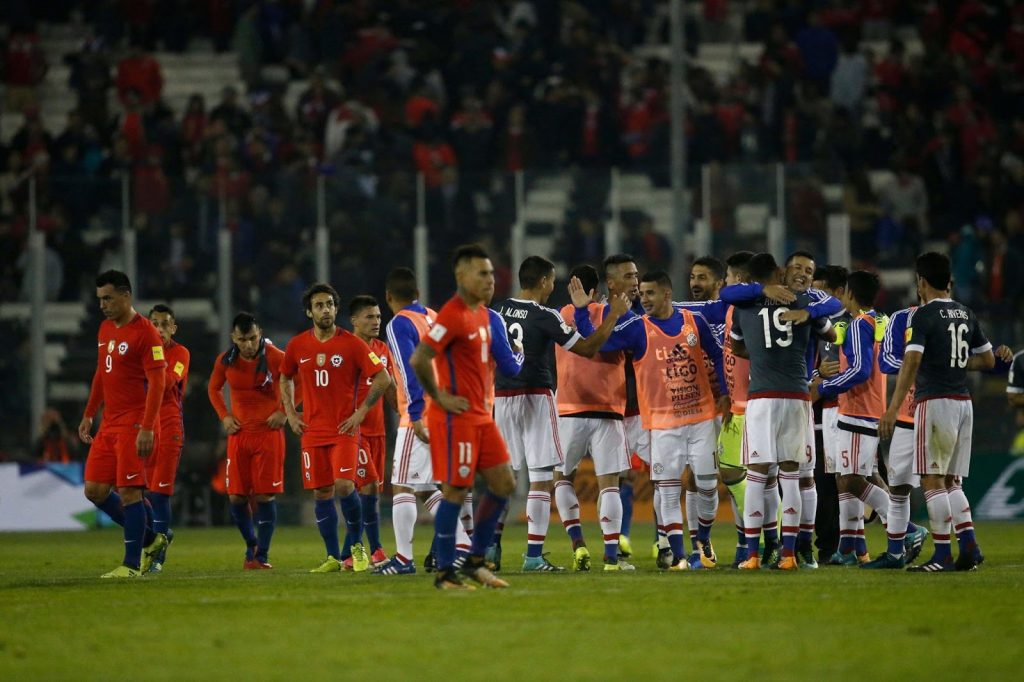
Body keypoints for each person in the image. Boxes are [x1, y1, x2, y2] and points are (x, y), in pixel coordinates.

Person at [576, 270, 727, 571]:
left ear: (667, 295)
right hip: (662, 425)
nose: (643, 299)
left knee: (708, 486)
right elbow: (597, 344)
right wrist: (582, 310)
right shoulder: (637, 328)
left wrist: (723, 391)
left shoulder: (692, 322)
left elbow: (718, 354)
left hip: (700, 419)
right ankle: (682, 557)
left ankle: (703, 540)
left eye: (650, 294)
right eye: (641, 294)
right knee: (669, 490)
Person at [493, 255, 628, 572]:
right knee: (540, 480)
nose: (553, 286)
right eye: (552, 280)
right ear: (543, 282)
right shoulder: (545, 315)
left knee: (499, 478)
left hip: (501, 397)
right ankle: (533, 557)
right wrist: (614, 317)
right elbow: (587, 348)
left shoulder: (497, 310)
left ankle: (490, 547)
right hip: (537, 397)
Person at [721, 250, 842, 566]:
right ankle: (789, 551)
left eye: (809, 269)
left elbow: (733, 338)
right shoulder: (803, 302)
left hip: (762, 398)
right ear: (782, 272)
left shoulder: (747, 304)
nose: (803, 273)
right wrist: (810, 316)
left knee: (761, 475)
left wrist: (761, 352)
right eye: (797, 268)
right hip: (796, 396)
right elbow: (833, 330)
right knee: (794, 476)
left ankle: (757, 553)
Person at [409, 244, 517, 590]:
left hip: (482, 417)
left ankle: (474, 561)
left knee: (504, 484)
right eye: (482, 273)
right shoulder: (451, 315)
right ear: (461, 276)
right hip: (456, 418)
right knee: (456, 490)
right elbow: (420, 358)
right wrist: (439, 396)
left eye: (491, 273)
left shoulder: (484, 314)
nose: (490, 279)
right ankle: (444, 573)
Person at [880, 252, 994, 572]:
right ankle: (969, 546)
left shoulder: (924, 316)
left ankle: (943, 555)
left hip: (935, 401)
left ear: (921, 282)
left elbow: (912, 362)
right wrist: (956, 363)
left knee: (932, 479)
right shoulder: (965, 313)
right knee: (952, 481)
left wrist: (891, 408)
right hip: (963, 402)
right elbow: (987, 361)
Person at [280, 283, 392, 573]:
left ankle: (357, 546)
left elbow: (382, 378)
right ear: (309, 311)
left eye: (329, 304)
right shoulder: (297, 345)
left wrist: (361, 412)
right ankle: (332, 556)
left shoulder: (351, 343)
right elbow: (285, 378)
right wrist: (291, 414)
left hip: (344, 430)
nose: (325, 309)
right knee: (321, 492)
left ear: (336, 308)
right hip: (312, 431)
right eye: (319, 305)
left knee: (345, 485)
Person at [78, 270, 168, 578]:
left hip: (134, 422)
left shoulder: (145, 332)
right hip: (109, 424)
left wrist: (147, 426)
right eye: (100, 299)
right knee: (94, 490)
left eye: (108, 298)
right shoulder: (105, 329)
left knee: (130, 492)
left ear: (126, 295)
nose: (103, 304)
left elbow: (158, 382)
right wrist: (90, 412)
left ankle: (131, 565)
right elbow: (101, 375)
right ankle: (153, 540)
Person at [555, 264, 636, 571]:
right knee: (610, 485)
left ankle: (578, 545)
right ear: (598, 291)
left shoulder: (560, 315)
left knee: (561, 478)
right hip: (608, 409)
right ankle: (612, 558)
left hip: (569, 409)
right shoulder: (615, 314)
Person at [810, 271, 894, 565]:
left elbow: (856, 369)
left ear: (844, 293)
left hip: (853, 409)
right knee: (848, 479)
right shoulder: (881, 321)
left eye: (821, 290)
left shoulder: (853, 324)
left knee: (851, 479)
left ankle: (903, 530)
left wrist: (824, 384)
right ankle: (851, 548)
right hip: (863, 408)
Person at [207, 312, 288, 569]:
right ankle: (251, 544)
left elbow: (300, 382)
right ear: (234, 338)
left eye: (253, 338)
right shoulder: (226, 361)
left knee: (264, 496)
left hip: (268, 435)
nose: (249, 344)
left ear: (260, 333)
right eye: (243, 339)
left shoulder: (276, 357)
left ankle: (261, 556)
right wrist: (224, 415)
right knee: (236, 498)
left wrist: (285, 412)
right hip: (239, 436)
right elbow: (213, 388)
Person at [348, 295, 397, 569]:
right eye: (370, 317)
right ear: (354, 321)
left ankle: (346, 551)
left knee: (371, 491)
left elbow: (389, 387)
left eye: (378, 317)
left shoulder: (382, 348)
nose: (376, 321)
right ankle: (375, 549)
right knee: (365, 488)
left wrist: (406, 411)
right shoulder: (346, 348)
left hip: (378, 430)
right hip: (353, 431)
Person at [808, 265, 850, 565]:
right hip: (819, 415)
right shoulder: (813, 325)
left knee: (838, 482)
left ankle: (840, 546)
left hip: (841, 414)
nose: (814, 297)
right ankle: (831, 546)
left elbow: (830, 376)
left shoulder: (846, 327)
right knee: (823, 482)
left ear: (837, 294)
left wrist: (817, 386)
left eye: (819, 290)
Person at [144, 304, 190, 572]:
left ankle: (157, 558)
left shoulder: (180, 353)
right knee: (138, 492)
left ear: (173, 328)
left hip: (169, 427)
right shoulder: (140, 352)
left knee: (160, 493)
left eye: (165, 324)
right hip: (143, 427)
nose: (159, 329)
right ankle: (157, 538)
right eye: (154, 324)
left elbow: (169, 382)